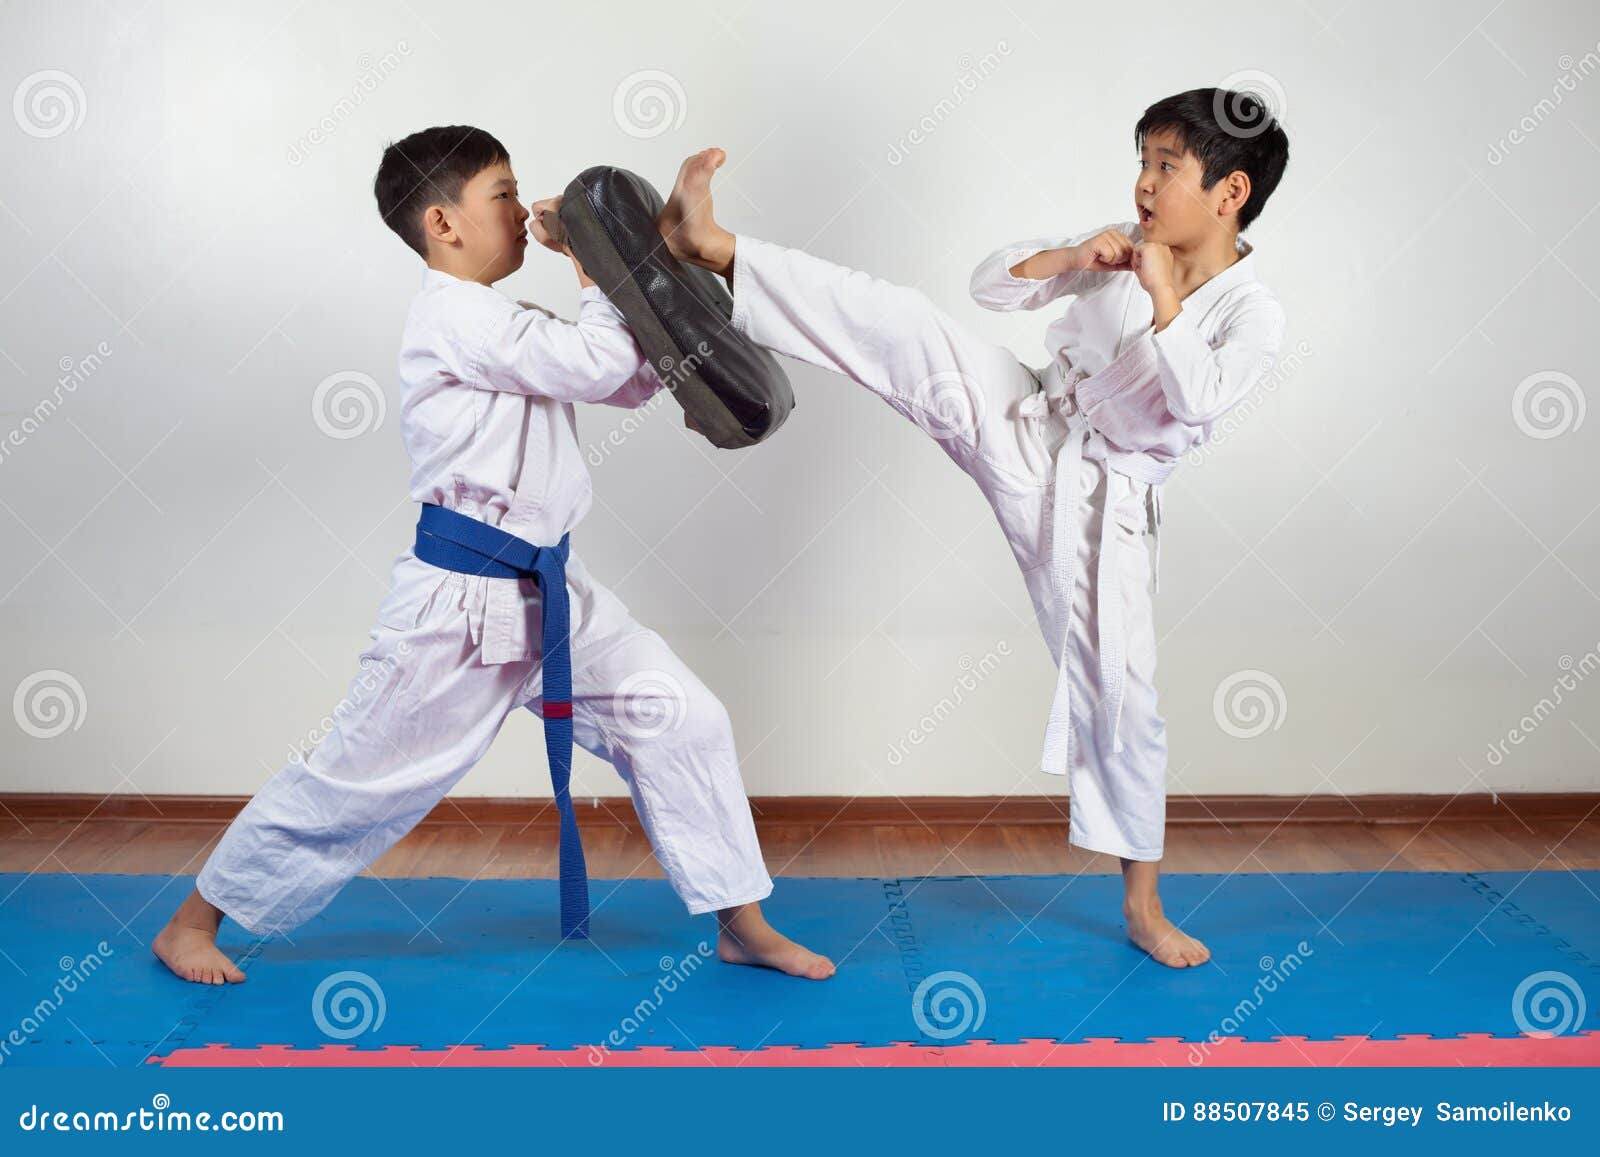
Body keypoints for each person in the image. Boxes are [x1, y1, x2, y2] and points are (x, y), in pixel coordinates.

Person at [153, 125, 835, 986]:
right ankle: (192, 921)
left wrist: (650, 274)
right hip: (458, 608)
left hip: (556, 592)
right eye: (504, 195)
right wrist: (599, 258)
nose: (522, 210)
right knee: (359, 778)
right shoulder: (454, 318)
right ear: (443, 223)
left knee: (683, 718)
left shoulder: (501, 318)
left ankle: (741, 922)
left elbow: (622, 376)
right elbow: (594, 364)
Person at [656, 88, 1289, 967]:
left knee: (1125, 704)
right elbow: (989, 285)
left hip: (1104, 513)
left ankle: (1143, 907)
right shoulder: (1123, 242)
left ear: (1230, 194)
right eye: (1142, 160)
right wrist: (1075, 254)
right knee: (909, 326)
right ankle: (712, 247)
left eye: (1166, 168)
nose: (1144, 184)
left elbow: (1200, 399)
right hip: (1032, 415)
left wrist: (1164, 302)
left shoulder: (1252, 314)